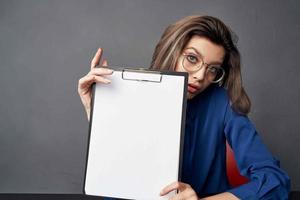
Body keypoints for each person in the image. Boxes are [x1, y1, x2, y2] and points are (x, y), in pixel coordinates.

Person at [78, 15, 290, 199]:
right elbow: (113, 185)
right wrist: (98, 115)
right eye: (191, 58)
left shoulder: (222, 103)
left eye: (213, 69)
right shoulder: (131, 94)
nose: (200, 75)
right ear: (172, 51)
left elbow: (275, 181)